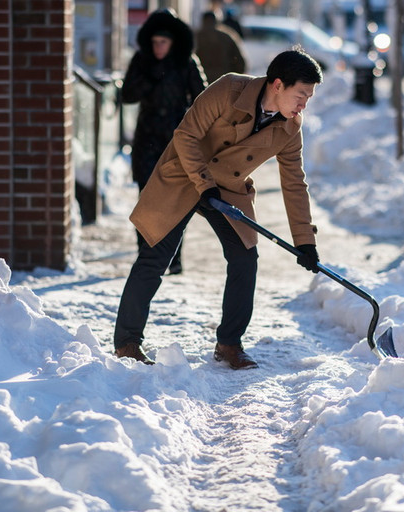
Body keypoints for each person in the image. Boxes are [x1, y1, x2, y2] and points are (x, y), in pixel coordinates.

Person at [113, 49, 324, 369]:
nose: (303, 105)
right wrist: (203, 184)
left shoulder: (290, 127)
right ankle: (127, 342)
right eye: (301, 95)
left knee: (245, 258)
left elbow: (294, 183)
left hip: (228, 189)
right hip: (185, 176)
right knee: (155, 256)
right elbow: (186, 136)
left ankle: (229, 343)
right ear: (278, 85)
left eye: (308, 97)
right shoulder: (228, 90)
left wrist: (305, 240)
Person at [121, 9, 206, 275]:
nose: (158, 47)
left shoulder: (186, 62)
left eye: (163, 42)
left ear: (173, 43)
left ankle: (174, 256)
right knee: (146, 197)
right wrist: (149, 77)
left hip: (176, 138)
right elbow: (127, 95)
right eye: (155, 42)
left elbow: (202, 100)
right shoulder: (142, 60)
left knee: (175, 198)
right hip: (147, 135)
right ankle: (144, 254)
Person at [193, 10, 247, 83]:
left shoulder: (195, 37)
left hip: (201, 80)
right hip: (224, 81)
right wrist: (234, 78)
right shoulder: (227, 36)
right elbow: (241, 62)